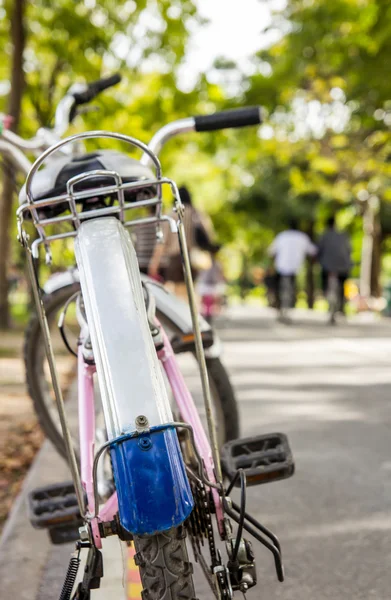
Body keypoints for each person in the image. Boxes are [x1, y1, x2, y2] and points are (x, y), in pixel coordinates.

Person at [148, 186, 214, 298]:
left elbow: (162, 242)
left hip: (175, 258)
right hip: (193, 259)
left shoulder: (171, 214)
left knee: (176, 295)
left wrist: (154, 263)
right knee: (191, 294)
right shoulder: (197, 213)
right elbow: (209, 235)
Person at [268, 219, 317, 307]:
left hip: (281, 266)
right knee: (292, 284)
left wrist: (273, 261)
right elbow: (313, 251)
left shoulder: (282, 236)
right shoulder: (302, 237)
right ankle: (291, 300)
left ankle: (277, 301)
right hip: (295, 267)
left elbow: (271, 251)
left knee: (278, 284)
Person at [317, 216, 352, 313]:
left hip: (328, 266)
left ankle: (327, 295)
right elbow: (349, 250)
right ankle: (341, 306)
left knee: (325, 282)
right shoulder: (344, 236)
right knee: (342, 284)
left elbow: (319, 250)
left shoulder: (323, 236)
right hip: (343, 265)